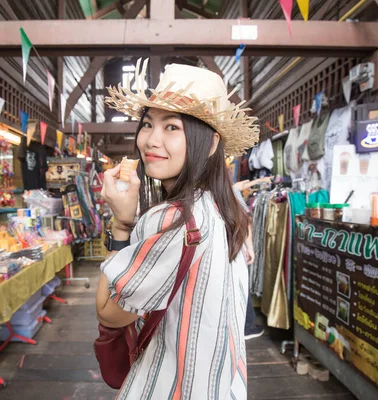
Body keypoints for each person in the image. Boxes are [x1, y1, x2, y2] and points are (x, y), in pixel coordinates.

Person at [95, 61, 260, 399]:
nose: (151, 140)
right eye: (147, 124)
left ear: (211, 144)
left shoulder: (173, 219)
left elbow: (110, 314)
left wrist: (121, 224)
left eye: (172, 127)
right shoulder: (232, 212)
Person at [232, 176, 273, 340]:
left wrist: (258, 181)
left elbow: (240, 185)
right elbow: (245, 222)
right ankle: (247, 327)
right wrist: (250, 248)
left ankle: (243, 325)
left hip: (224, 250)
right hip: (236, 250)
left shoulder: (216, 191)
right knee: (242, 286)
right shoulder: (231, 194)